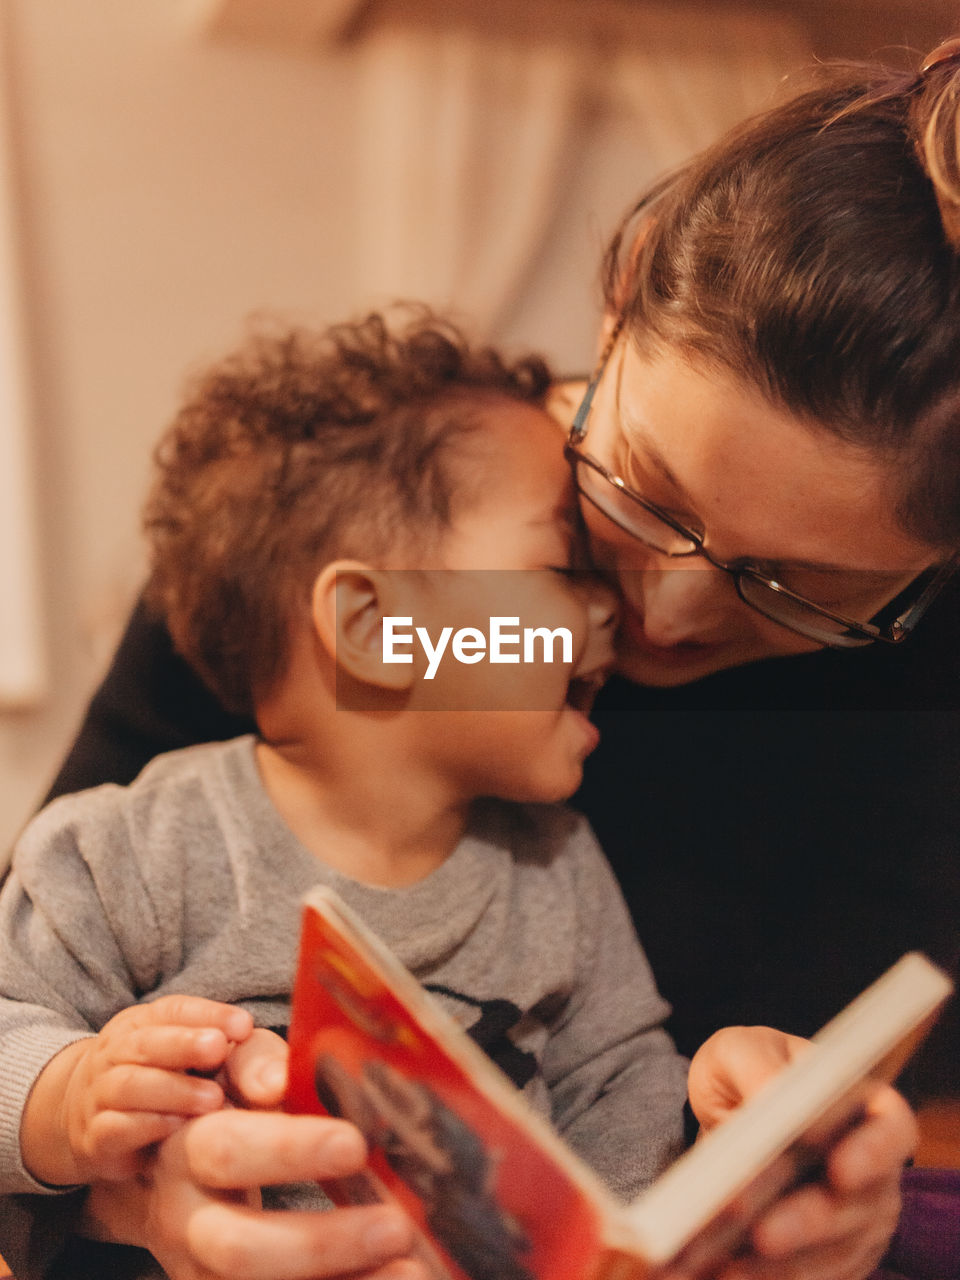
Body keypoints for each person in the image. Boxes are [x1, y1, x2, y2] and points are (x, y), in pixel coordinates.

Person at [38, 35, 960, 1280]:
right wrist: (126, 1190)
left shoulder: (904, 729)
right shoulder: (343, 532)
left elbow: (669, 1114)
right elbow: (34, 1021)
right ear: (621, 292)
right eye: (646, 490)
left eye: (798, 588)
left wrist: (844, 1203)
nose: (665, 613)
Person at [0, 308, 693, 1278]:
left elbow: (625, 1079)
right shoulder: (131, 849)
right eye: (559, 570)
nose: (613, 607)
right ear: (373, 627)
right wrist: (69, 1097)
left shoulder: (557, 861)